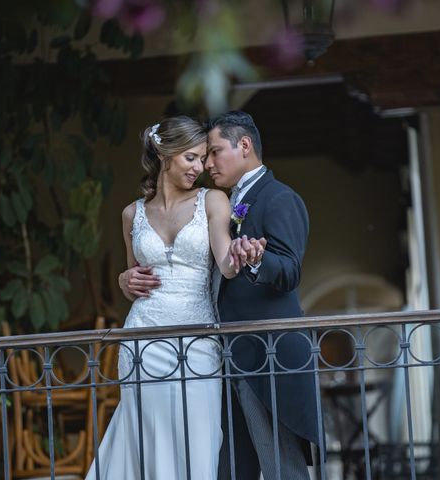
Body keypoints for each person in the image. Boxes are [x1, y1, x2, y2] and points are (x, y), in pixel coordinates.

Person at [121, 111, 319, 479]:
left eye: (213, 153)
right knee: (227, 465)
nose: (208, 164)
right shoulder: (227, 200)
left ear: (244, 145)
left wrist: (256, 259)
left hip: (264, 355)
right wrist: (124, 279)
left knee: (278, 465)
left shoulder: (279, 198)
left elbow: (289, 270)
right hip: (222, 353)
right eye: (198, 156)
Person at [85, 116, 264, 480]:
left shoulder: (213, 200)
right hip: (142, 341)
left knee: (198, 442)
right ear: (166, 155)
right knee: (150, 441)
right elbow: (132, 276)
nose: (201, 168)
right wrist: (124, 279)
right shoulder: (130, 214)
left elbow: (226, 266)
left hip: (197, 339)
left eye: (203, 159)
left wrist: (245, 254)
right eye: (191, 159)